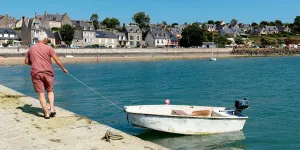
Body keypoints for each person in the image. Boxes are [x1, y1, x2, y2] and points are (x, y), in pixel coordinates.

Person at [25, 33, 68, 119]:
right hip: (48, 72)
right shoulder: (49, 48)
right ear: (44, 39)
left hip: (36, 72)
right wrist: (63, 69)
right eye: (47, 39)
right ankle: (52, 110)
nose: (48, 40)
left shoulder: (31, 48)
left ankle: (46, 114)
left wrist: (35, 64)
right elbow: (56, 59)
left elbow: (26, 62)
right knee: (50, 91)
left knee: (41, 94)